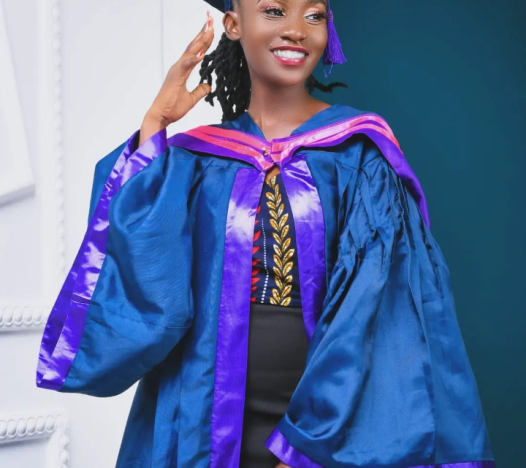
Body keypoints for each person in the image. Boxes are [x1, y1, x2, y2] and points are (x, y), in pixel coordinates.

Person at [35, 0, 496, 467]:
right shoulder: (198, 160)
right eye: (274, 10)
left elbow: (374, 307)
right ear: (233, 24)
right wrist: (155, 125)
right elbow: (142, 271)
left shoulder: (359, 155)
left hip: (328, 420)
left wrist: (307, 447)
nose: (297, 29)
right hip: (202, 409)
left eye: (314, 15)